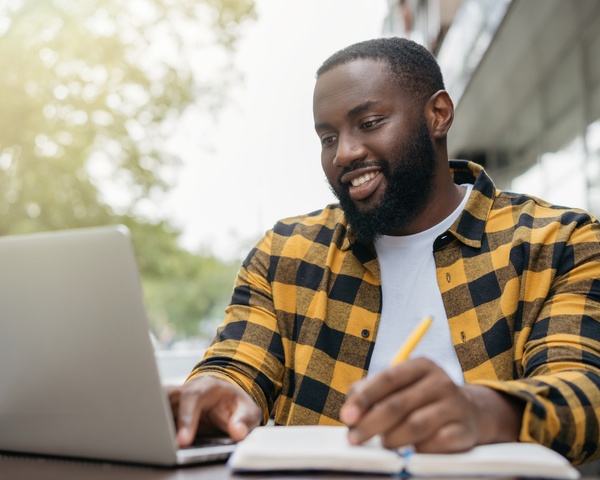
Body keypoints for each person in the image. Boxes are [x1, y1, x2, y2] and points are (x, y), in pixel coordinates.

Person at [168, 37, 600, 465]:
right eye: (327, 138)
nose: (344, 153)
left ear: (438, 114)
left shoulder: (558, 242)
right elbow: (236, 364)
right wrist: (218, 391)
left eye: (369, 122)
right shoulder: (285, 253)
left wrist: (482, 410)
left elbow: (583, 392)